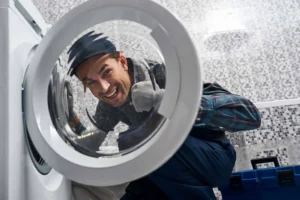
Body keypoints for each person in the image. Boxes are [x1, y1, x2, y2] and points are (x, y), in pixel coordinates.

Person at [66, 31, 261, 200]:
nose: (104, 88)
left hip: (214, 157)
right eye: (90, 82)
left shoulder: (163, 74)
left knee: (133, 140)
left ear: (122, 62)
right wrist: (70, 119)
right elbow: (91, 144)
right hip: (164, 167)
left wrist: (166, 100)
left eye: (106, 72)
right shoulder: (109, 102)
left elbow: (250, 115)